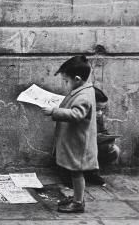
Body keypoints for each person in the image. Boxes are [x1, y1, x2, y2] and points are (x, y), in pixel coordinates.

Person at [41, 55, 98, 213]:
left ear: (78, 79)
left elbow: (76, 114)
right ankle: (76, 198)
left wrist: (55, 111)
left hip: (79, 143)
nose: (65, 84)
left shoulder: (83, 96)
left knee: (76, 173)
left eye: (66, 81)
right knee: (74, 172)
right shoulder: (84, 89)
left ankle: (78, 202)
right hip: (76, 140)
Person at [58, 87, 120, 187]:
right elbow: (68, 138)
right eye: (97, 109)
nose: (100, 113)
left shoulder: (97, 117)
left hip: (90, 147)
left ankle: (91, 173)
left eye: (102, 109)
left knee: (114, 150)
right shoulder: (75, 114)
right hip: (72, 149)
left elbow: (103, 131)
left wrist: (107, 139)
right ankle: (68, 175)